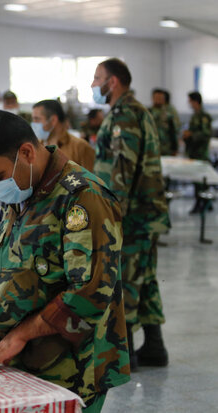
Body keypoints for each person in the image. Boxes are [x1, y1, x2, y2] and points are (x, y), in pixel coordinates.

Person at [0, 110, 130, 412]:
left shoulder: (82, 197)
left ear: (26, 153)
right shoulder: (23, 190)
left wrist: (20, 336)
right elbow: (7, 269)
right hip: (25, 360)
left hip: (73, 369)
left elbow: (90, 292)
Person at [92, 58, 170, 370]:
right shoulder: (134, 110)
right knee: (145, 279)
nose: (93, 84)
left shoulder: (125, 114)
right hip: (145, 215)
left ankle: (126, 355)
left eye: (97, 78)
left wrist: (114, 215)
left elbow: (122, 169)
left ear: (113, 82)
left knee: (126, 282)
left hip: (134, 215)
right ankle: (154, 345)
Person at [31, 99, 95, 171]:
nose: (33, 123)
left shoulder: (79, 147)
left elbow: (92, 180)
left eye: (37, 119)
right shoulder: (37, 146)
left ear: (53, 120)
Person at [184, 91, 213, 214]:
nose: (189, 103)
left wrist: (192, 134)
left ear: (195, 101)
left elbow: (206, 134)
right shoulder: (195, 116)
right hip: (194, 151)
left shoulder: (204, 116)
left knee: (200, 180)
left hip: (200, 152)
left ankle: (201, 203)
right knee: (197, 179)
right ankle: (206, 203)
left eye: (190, 101)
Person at [149, 89, 180, 156]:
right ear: (152, 98)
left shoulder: (169, 115)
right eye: (157, 98)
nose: (158, 100)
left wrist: (174, 149)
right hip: (150, 149)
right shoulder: (147, 113)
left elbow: (173, 133)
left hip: (165, 149)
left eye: (160, 98)